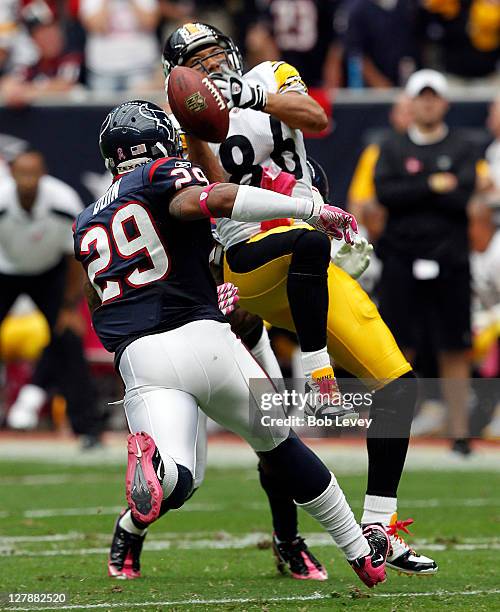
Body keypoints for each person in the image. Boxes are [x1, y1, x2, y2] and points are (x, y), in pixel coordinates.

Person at [74, 99, 390, 587]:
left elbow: (113, 295)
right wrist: (309, 207)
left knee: (180, 479)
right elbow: (207, 201)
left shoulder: (85, 220)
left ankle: (157, 468)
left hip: (140, 357)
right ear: (157, 144)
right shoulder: (163, 173)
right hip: (205, 338)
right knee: (281, 443)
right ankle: (359, 553)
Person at [162, 22, 438, 578]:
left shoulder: (270, 77)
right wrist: (197, 124)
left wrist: (249, 95)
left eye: (216, 54)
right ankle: (315, 370)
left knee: (397, 387)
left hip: (311, 255)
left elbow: (316, 119)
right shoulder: (181, 120)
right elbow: (214, 199)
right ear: (180, 78)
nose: (213, 66)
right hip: (252, 258)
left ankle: (378, 528)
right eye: (199, 62)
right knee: (305, 244)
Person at [374, 69, 478, 456]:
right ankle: (393, 429)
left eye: (434, 96)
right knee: (399, 348)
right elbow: (386, 194)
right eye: (422, 96)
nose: (429, 102)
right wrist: (435, 183)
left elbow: (461, 194)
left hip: (450, 260)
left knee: (455, 346)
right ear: (411, 103)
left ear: (445, 102)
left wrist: (416, 190)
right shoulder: (392, 146)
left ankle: (461, 433)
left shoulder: (465, 145)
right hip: (402, 259)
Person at [0, 150, 101, 445]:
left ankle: (88, 430)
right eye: (22, 173)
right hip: (5, 272)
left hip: (50, 272)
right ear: (12, 174)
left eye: (34, 173)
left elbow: (76, 257)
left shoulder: (63, 201)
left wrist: (70, 307)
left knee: (68, 339)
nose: (28, 180)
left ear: (43, 174)